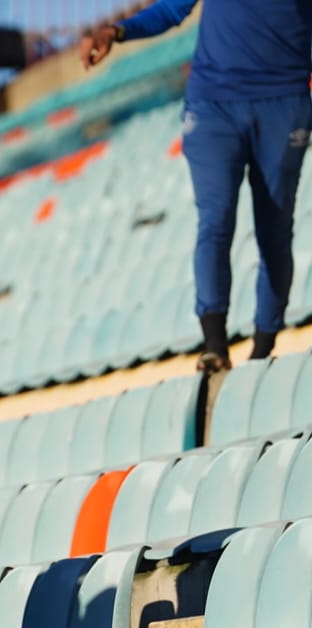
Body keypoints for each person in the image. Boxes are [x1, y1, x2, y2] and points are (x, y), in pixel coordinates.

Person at [82, 0, 312, 371]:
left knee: (274, 229)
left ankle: (263, 348)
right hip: (213, 106)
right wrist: (119, 31)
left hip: (283, 104)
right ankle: (214, 345)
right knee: (216, 218)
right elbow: (173, 9)